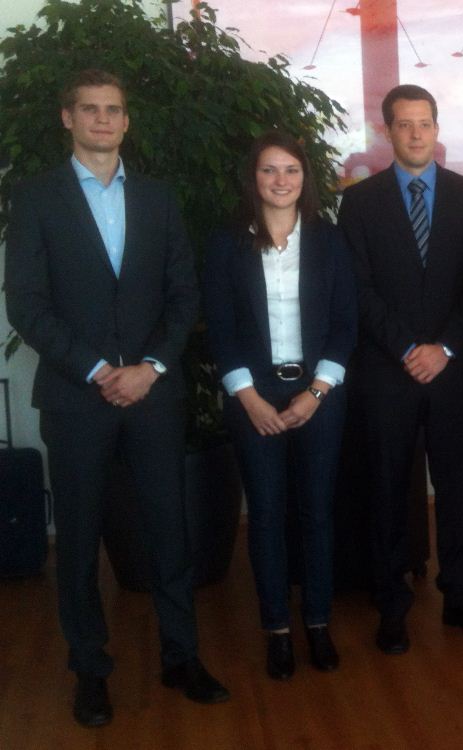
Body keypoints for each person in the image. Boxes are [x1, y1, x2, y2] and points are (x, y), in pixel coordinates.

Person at [4, 69, 228, 728]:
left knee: (169, 531)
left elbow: (183, 294)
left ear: (127, 121)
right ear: (67, 117)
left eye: (114, 109)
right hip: (77, 397)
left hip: (153, 393)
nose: (103, 119)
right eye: (90, 109)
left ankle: (181, 656)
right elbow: (27, 305)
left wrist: (150, 367)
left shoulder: (159, 198)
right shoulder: (35, 198)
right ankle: (90, 670)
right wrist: (101, 369)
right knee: (77, 541)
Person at [337, 84, 463, 654]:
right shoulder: (359, 201)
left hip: (452, 370)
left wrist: (444, 348)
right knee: (388, 489)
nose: (414, 134)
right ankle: (391, 603)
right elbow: (357, 289)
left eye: (423, 123)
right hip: (389, 370)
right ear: (387, 131)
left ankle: (459, 596)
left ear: (436, 128)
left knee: (455, 488)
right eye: (403, 124)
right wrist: (408, 347)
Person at [202, 131, 357, 680]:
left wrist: (316, 393)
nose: (281, 180)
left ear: (304, 178)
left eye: (291, 169)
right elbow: (219, 327)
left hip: (319, 391)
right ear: (254, 177)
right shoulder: (226, 244)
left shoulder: (329, 240)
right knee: (266, 515)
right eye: (269, 169)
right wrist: (248, 397)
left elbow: (345, 323)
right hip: (253, 393)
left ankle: (317, 621)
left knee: (317, 512)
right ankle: (277, 630)